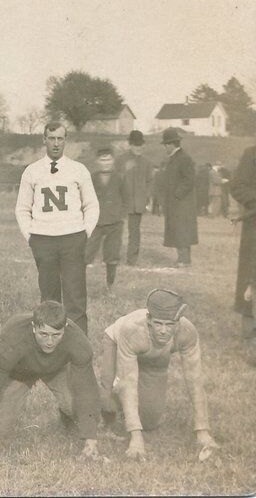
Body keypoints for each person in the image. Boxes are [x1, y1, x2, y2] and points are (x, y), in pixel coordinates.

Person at [0, 301, 101, 460]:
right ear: (33, 327)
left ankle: (67, 417)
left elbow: (86, 389)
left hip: (56, 369)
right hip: (20, 372)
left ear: (65, 327)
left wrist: (91, 441)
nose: (50, 342)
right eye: (43, 334)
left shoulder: (78, 342)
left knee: (79, 406)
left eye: (56, 335)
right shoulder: (14, 337)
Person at [98, 289, 218, 458]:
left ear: (178, 323)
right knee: (107, 401)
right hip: (120, 343)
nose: (163, 331)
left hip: (154, 358)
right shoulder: (131, 330)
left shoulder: (187, 332)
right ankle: (114, 392)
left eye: (169, 325)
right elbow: (129, 381)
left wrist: (203, 431)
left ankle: (128, 403)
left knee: (150, 421)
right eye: (158, 323)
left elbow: (195, 380)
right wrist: (136, 437)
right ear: (149, 321)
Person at [15, 122, 99, 333]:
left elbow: (92, 204)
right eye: (51, 138)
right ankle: (50, 341)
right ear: (44, 140)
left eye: (60, 138)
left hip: (72, 238)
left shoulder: (78, 170)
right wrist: (31, 237)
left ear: (65, 140)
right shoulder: (32, 171)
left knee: (75, 295)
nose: (55, 143)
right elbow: (22, 208)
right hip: (43, 240)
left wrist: (84, 233)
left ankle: (79, 345)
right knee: (49, 297)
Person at [85, 148, 128, 288]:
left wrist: (120, 214)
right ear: (97, 161)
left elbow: (126, 198)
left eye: (108, 159)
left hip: (114, 222)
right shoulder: (91, 178)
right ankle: (76, 283)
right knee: (86, 252)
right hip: (95, 223)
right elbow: (84, 198)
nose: (106, 163)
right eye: (103, 160)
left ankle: (110, 285)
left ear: (113, 160)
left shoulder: (120, 177)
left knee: (112, 254)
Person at [230, 144, 256, 351]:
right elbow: (237, 186)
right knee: (252, 274)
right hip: (255, 225)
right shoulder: (251, 154)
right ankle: (249, 330)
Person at [115, 129, 154, 265]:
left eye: (141, 144)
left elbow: (150, 181)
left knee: (134, 232)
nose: (139, 147)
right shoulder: (120, 160)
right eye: (136, 145)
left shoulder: (147, 162)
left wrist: (146, 196)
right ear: (130, 145)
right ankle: (112, 257)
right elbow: (115, 180)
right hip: (121, 202)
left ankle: (132, 260)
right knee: (115, 230)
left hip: (137, 203)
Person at [159, 129, 198, 267]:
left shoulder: (184, 158)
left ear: (171, 144)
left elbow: (189, 180)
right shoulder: (175, 158)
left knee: (182, 231)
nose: (164, 147)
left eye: (165, 144)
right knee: (178, 230)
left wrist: (176, 195)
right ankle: (182, 258)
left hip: (182, 204)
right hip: (176, 203)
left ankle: (184, 260)